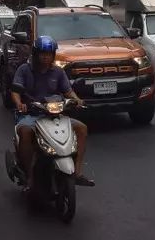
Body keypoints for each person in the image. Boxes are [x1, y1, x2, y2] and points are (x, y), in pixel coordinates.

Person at [11, 35, 95, 189]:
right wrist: (19, 103)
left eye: (49, 54)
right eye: (42, 53)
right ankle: (29, 176)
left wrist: (77, 100)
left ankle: (77, 172)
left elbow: (68, 92)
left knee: (82, 128)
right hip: (31, 114)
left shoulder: (58, 72)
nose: (45, 57)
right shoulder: (24, 70)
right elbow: (15, 91)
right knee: (25, 132)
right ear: (35, 54)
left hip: (54, 113)